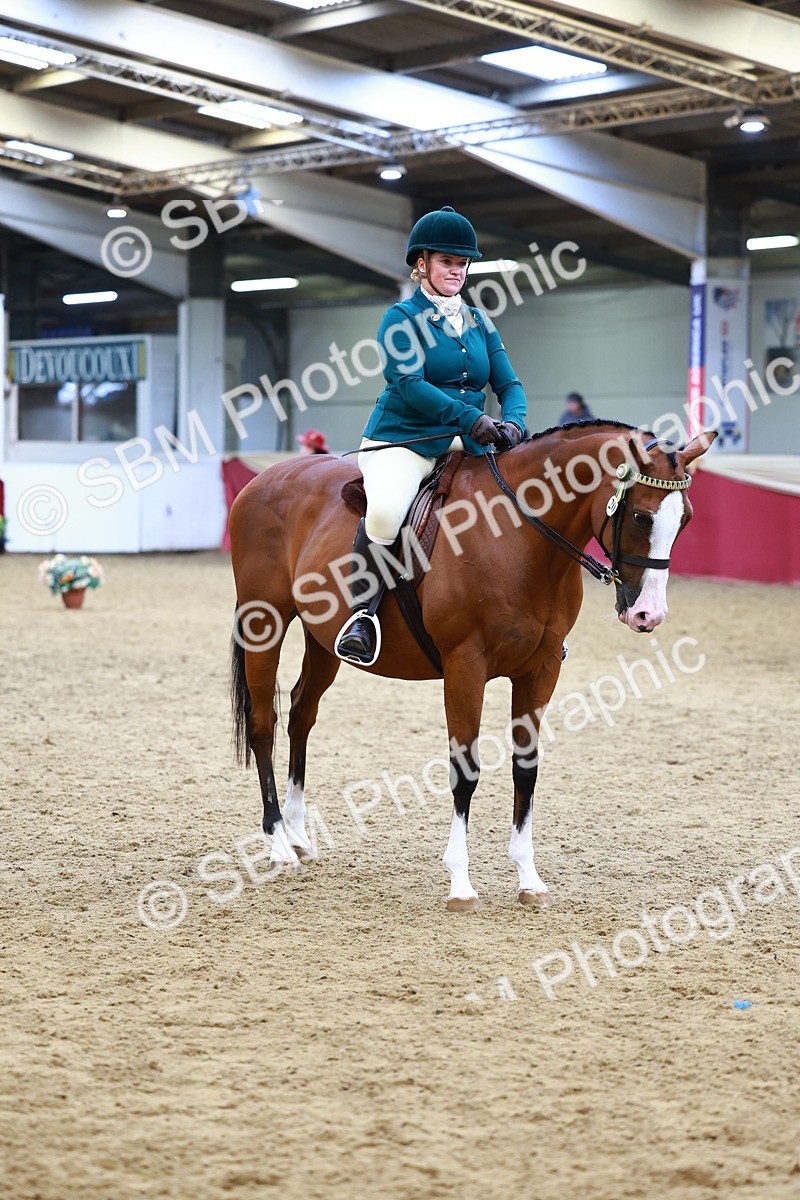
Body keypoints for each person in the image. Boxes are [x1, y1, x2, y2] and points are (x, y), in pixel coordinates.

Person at [334, 205, 527, 666]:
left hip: (471, 441)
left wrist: (514, 422)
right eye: (446, 262)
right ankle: (362, 616)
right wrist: (470, 418)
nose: (456, 271)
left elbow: (508, 384)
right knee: (384, 511)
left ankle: (528, 617)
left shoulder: (481, 322)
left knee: (518, 505)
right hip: (404, 442)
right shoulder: (400, 318)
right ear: (421, 263)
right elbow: (409, 384)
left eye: (462, 263)